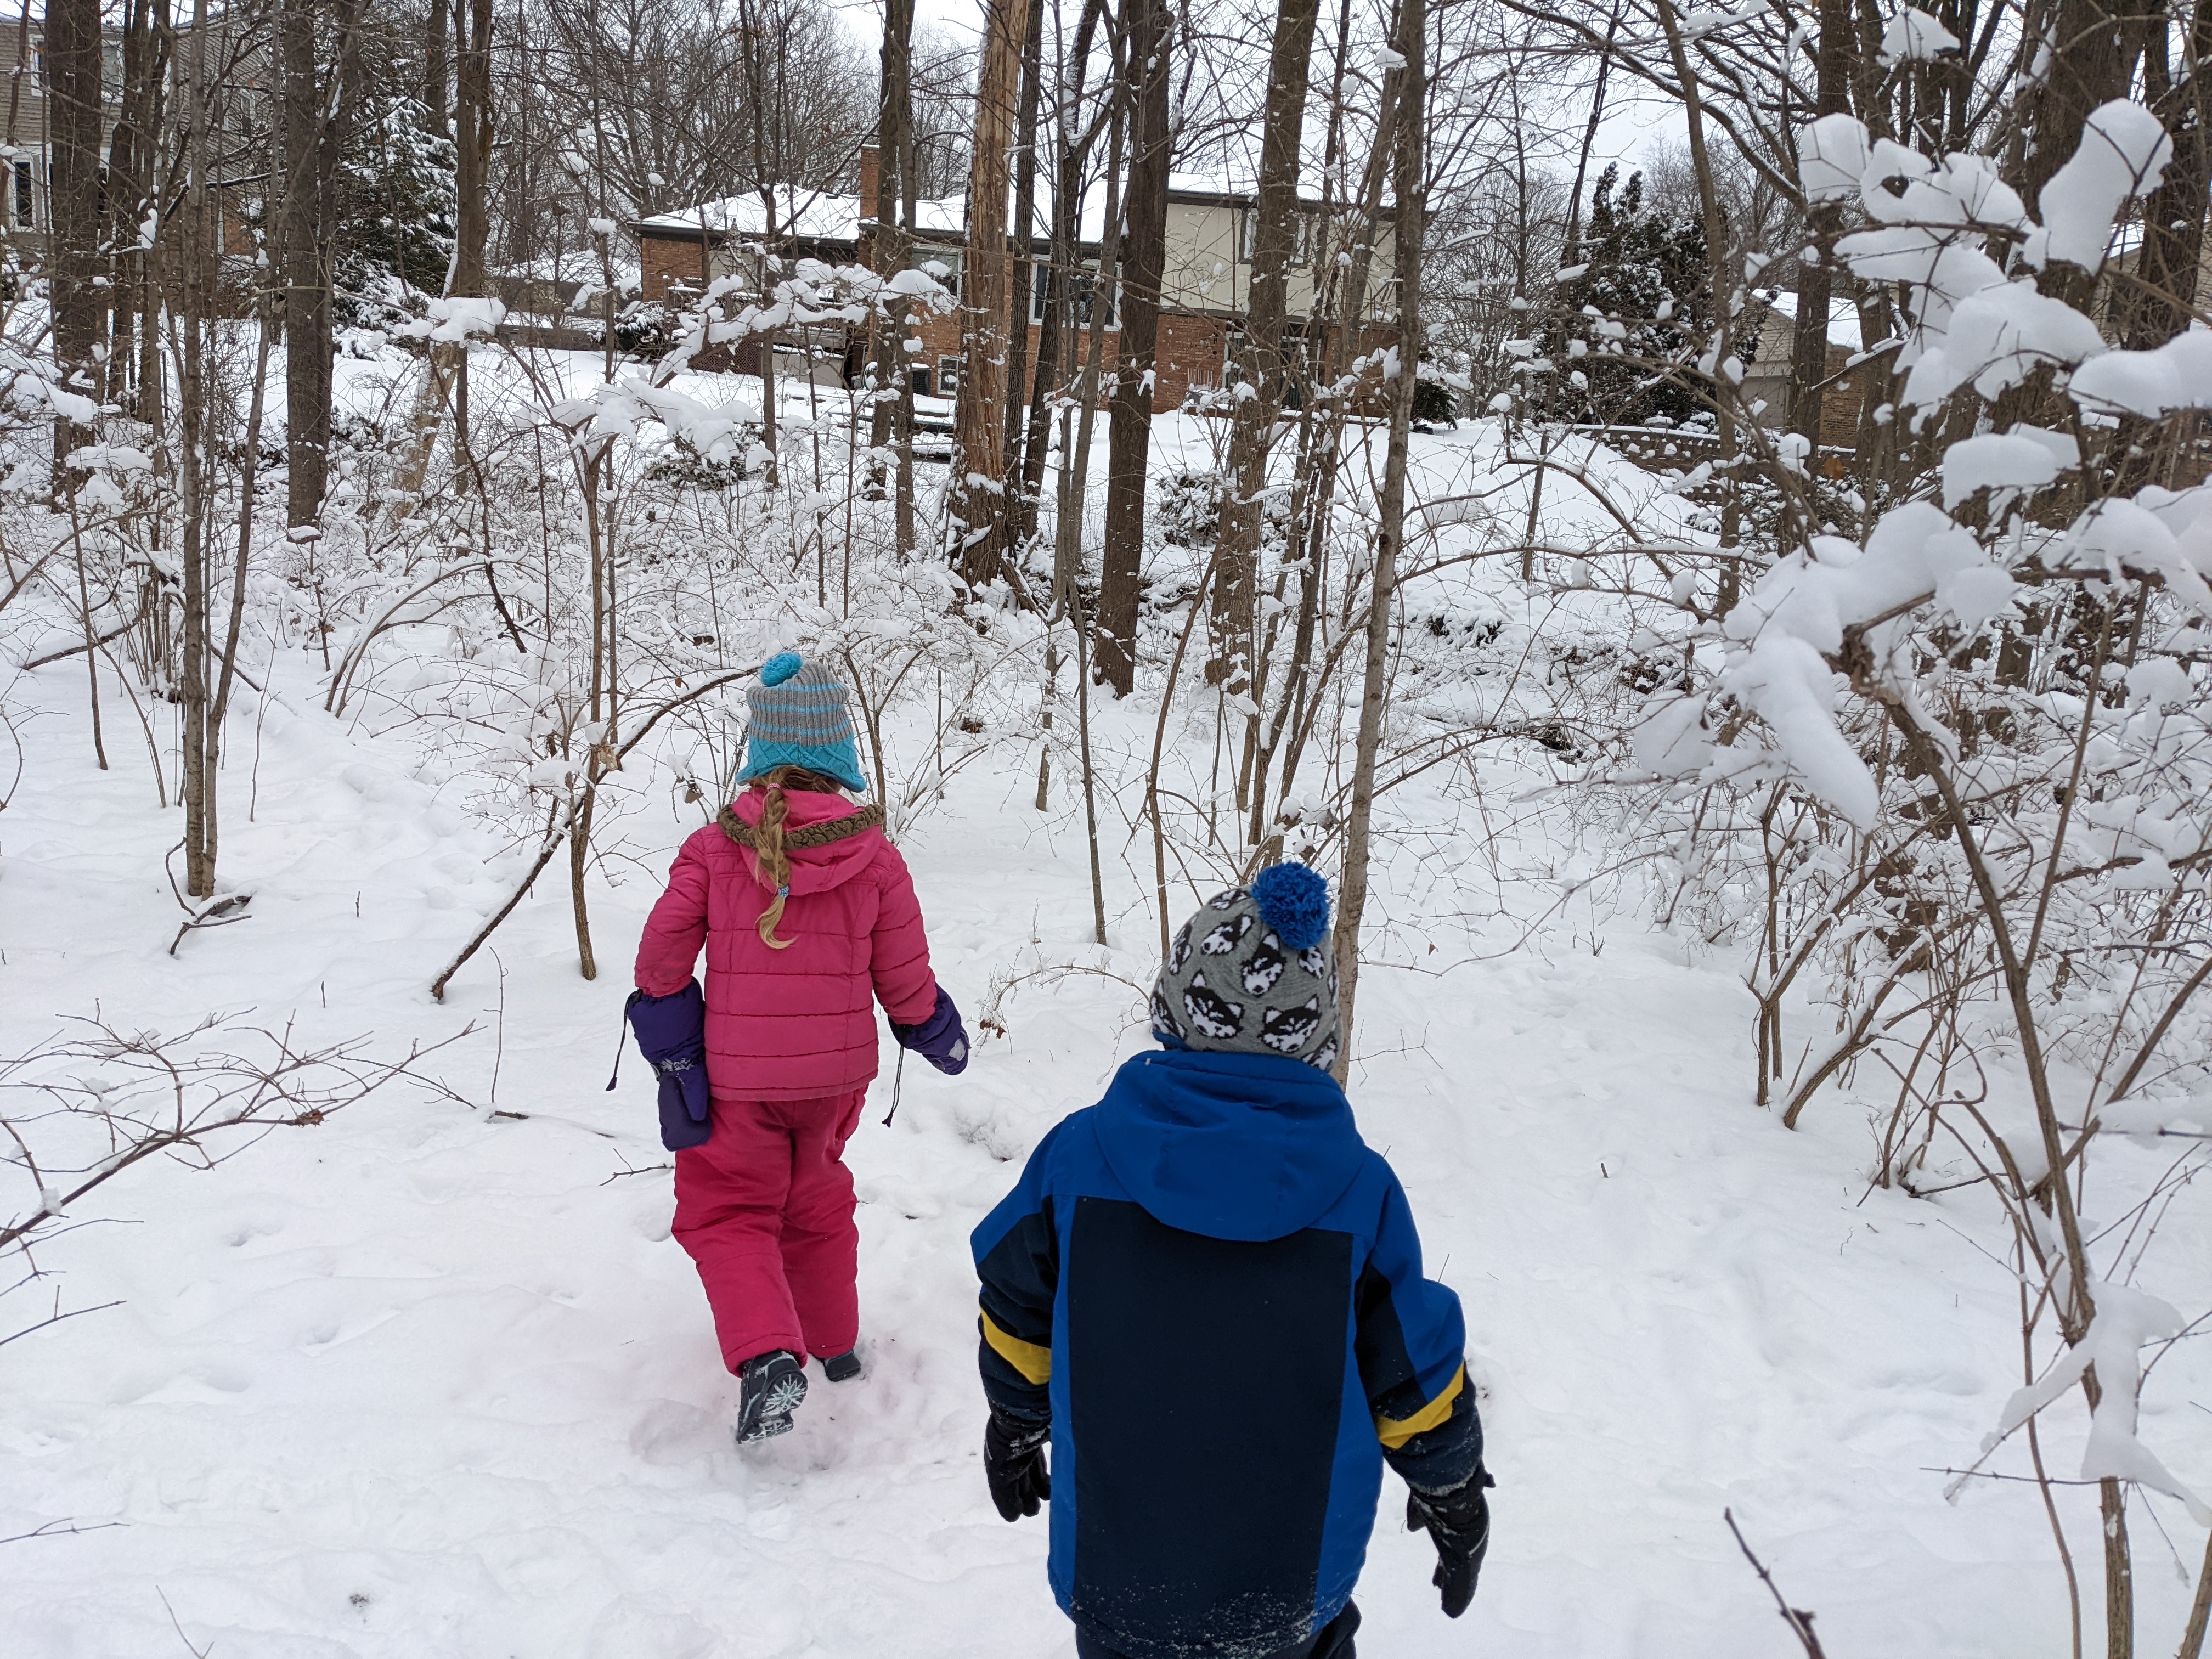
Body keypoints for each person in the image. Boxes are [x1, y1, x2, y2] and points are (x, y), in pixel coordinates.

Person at [970, 862, 1491, 1659]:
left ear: (1177, 1007)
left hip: (1116, 1575)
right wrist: (1452, 1486)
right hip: (1288, 1588)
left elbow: (1018, 1310)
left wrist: (1015, 1418)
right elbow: (1410, 1371)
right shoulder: (1359, 1193)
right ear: (1316, 1037)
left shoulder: (1079, 1161)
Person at [632, 651, 968, 1445]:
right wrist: (932, 1028)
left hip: (737, 1085)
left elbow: (660, 959)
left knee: (730, 1211)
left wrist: (671, 1026)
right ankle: (835, 1345)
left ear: (762, 751)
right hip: (835, 1082)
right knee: (815, 1206)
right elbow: (905, 977)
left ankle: (768, 1357)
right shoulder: (876, 857)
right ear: (836, 753)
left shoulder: (714, 849)